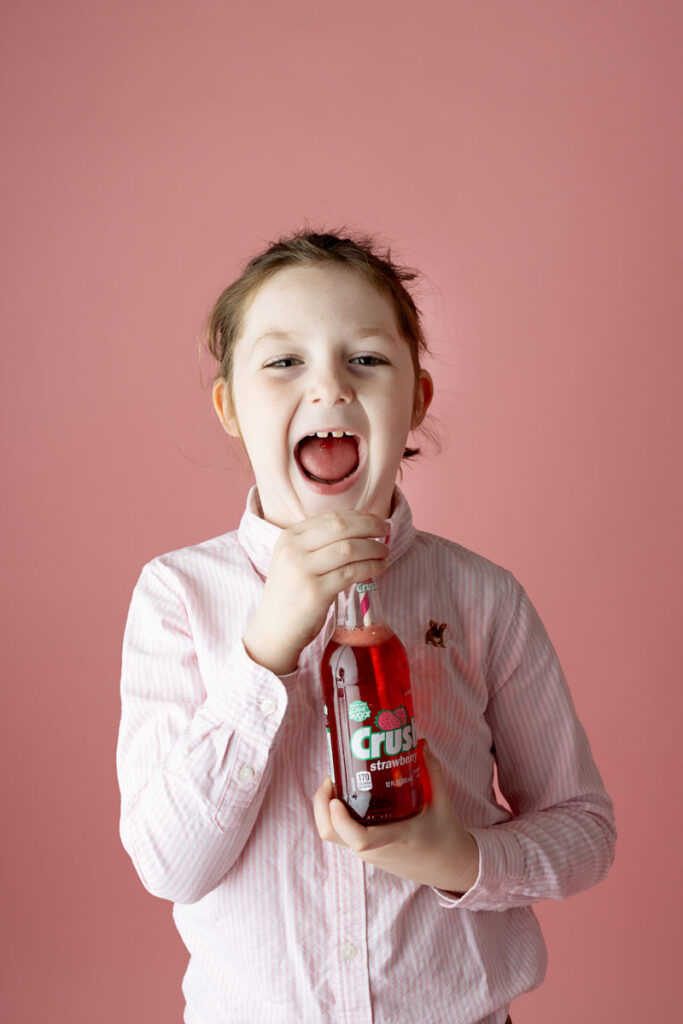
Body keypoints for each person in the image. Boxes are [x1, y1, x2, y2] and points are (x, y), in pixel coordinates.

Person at [116, 230, 616, 1024]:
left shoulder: (482, 597)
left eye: (367, 360)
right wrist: (265, 648)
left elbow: (584, 830)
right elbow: (169, 864)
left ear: (416, 398)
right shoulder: (178, 596)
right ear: (229, 407)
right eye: (283, 362)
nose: (328, 389)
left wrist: (457, 858)